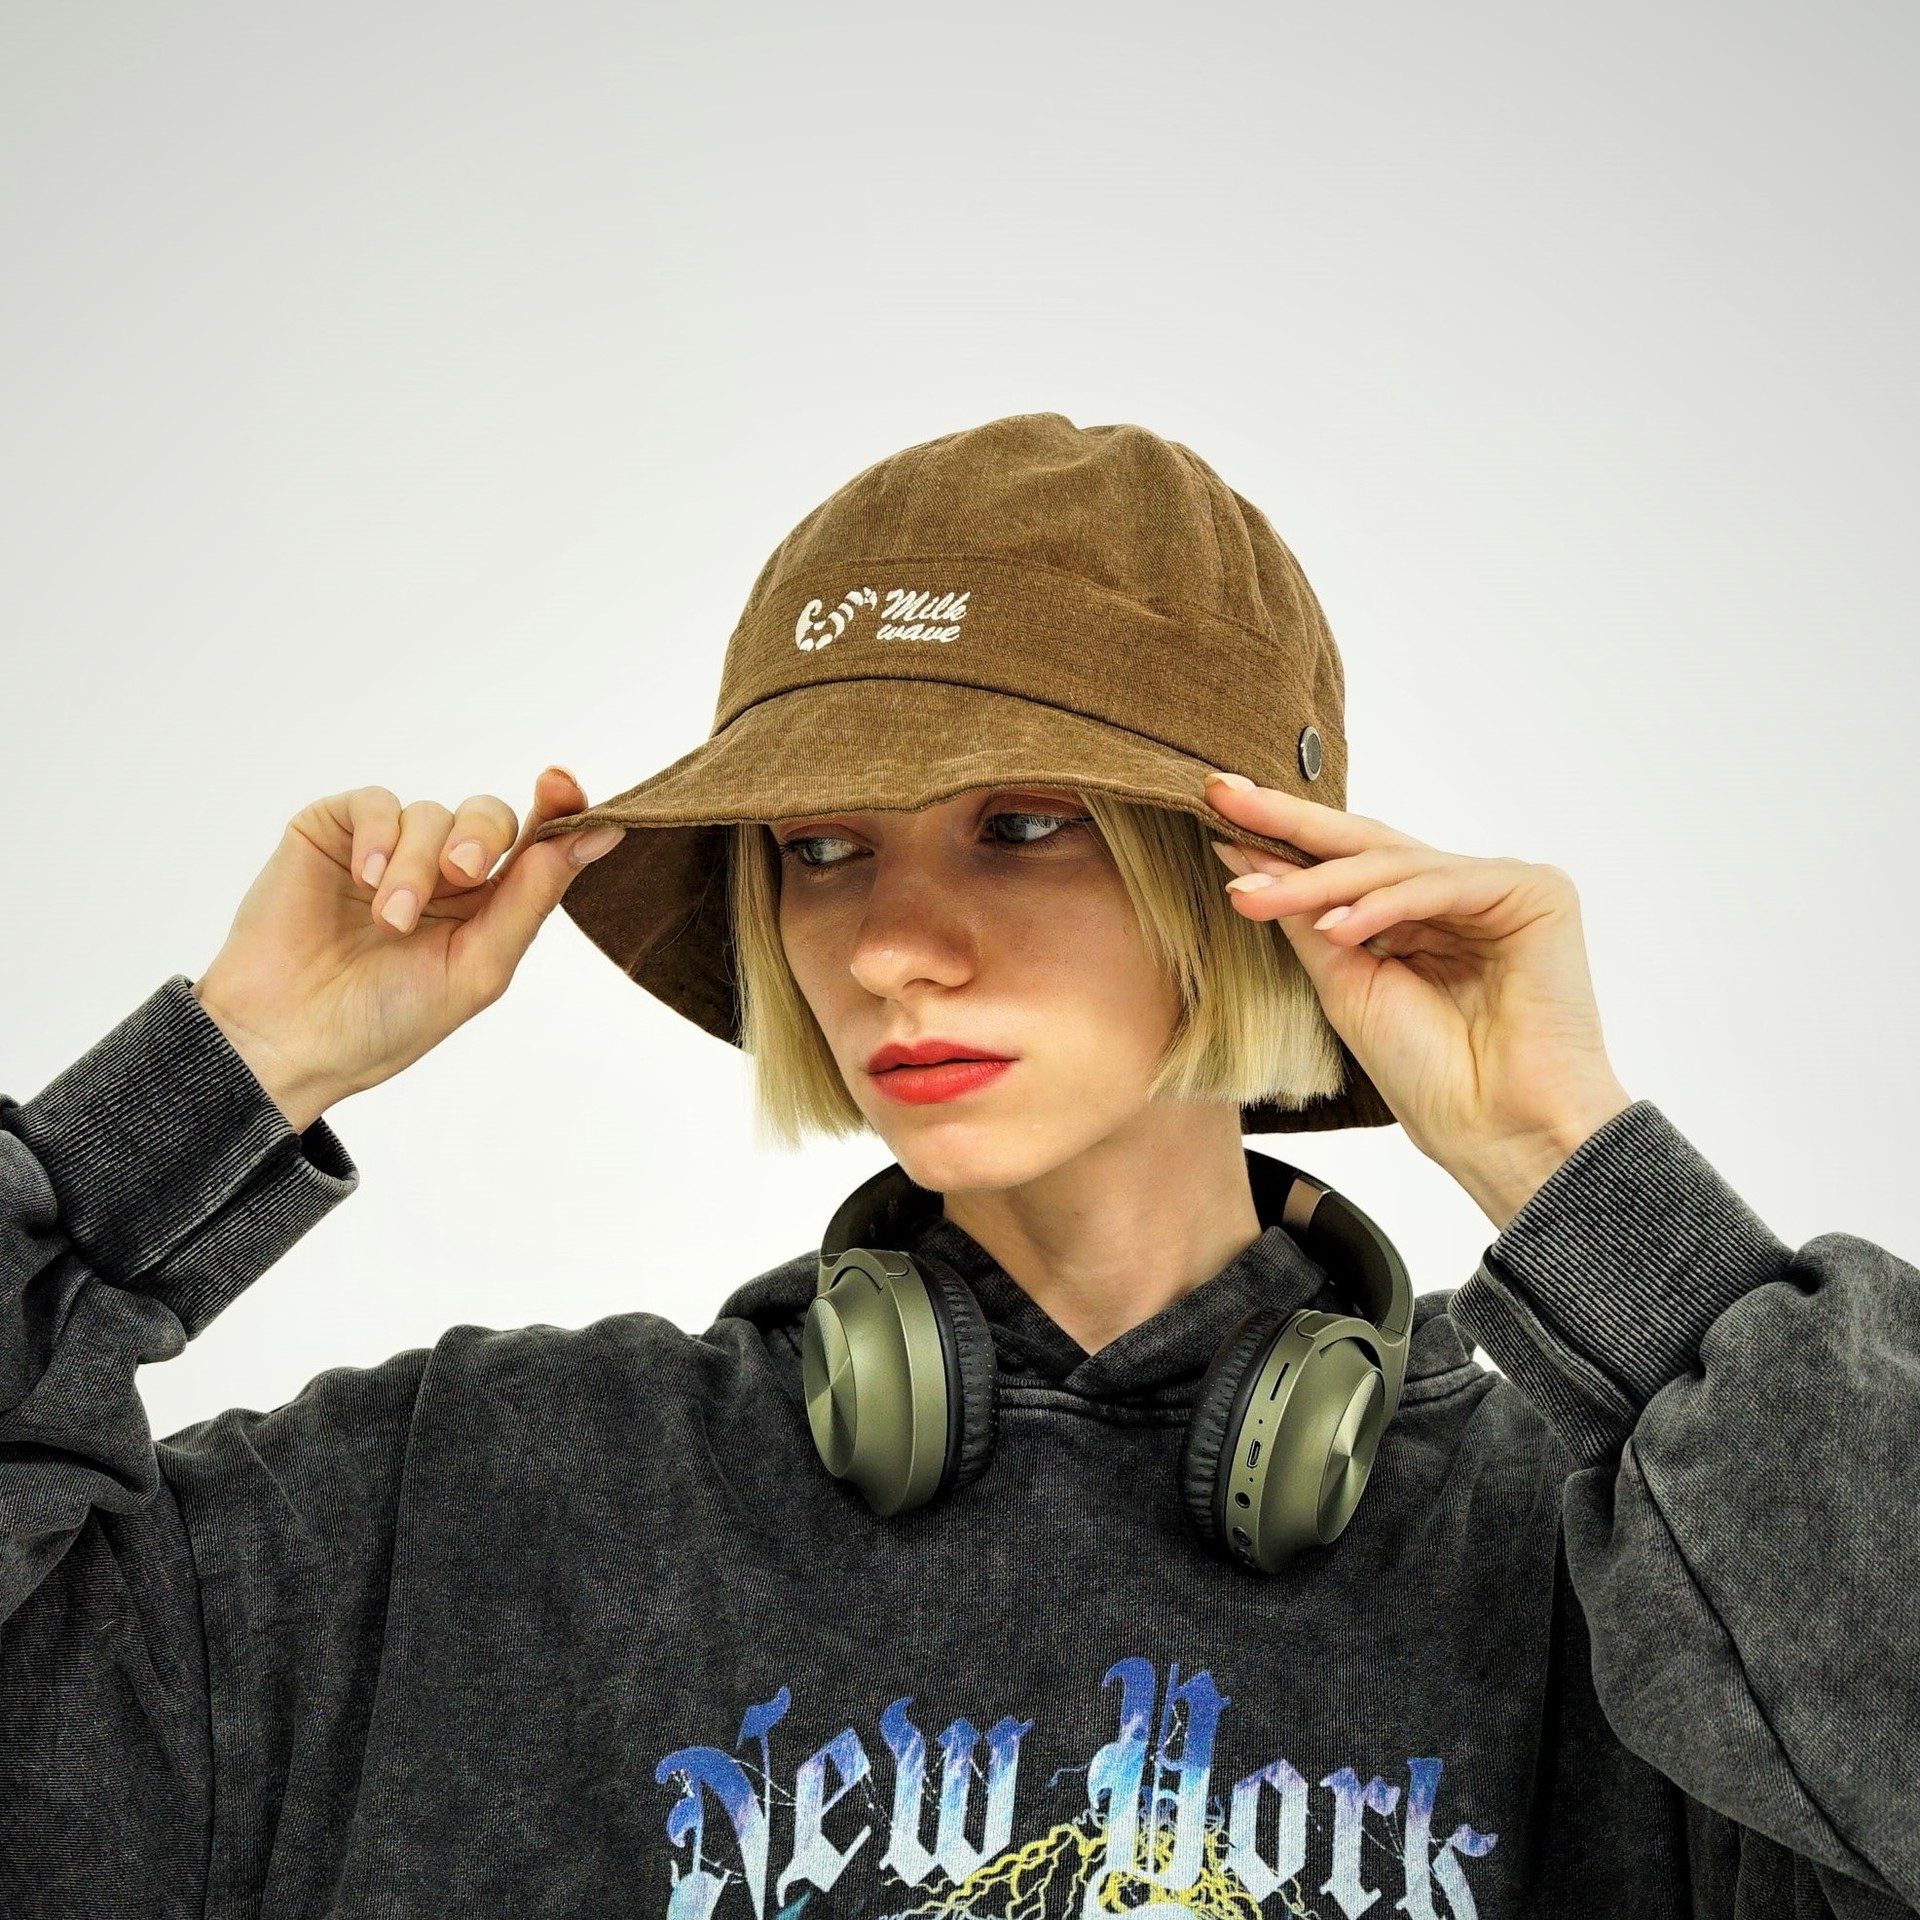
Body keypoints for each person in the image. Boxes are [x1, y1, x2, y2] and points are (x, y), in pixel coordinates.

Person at [1, 413, 1913, 1918]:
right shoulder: (479, 1502)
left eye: (1021, 823)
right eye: (820, 849)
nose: (892, 950)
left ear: (1253, 883)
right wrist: (220, 1077)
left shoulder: (1607, 1592)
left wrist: (1567, 1163)